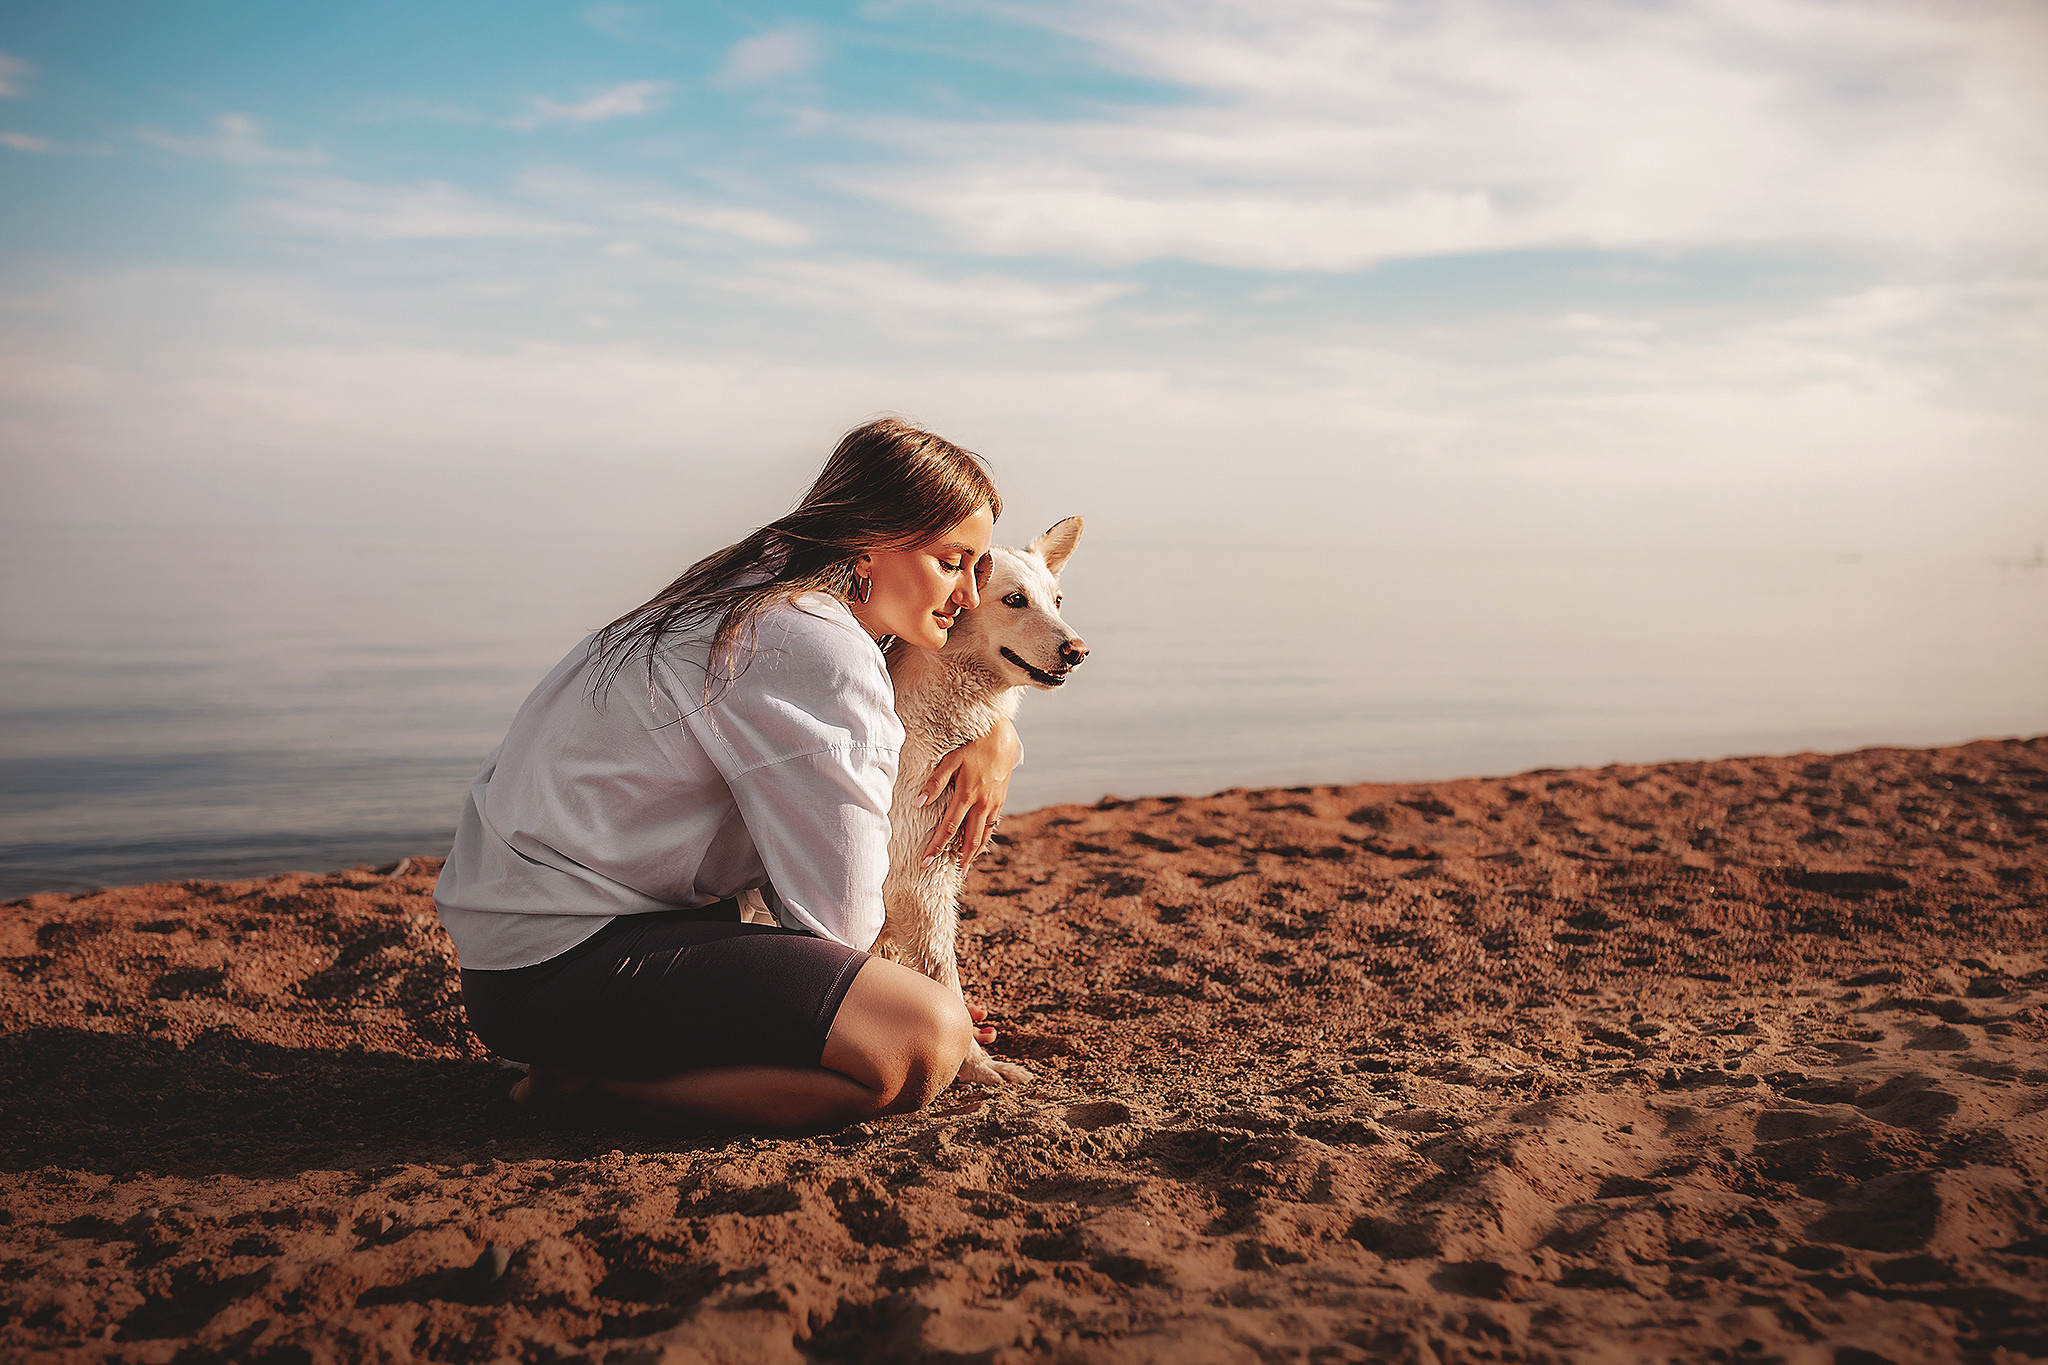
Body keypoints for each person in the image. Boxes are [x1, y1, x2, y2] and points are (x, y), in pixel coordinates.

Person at [434, 419, 1022, 1129]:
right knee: (924, 1038)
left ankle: (587, 1062)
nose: (967, 595)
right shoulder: (817, 644)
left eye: (979, 569)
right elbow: (836, 923)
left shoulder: (760, 583)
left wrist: (997, 731)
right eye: (953, 561)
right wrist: (886, 994)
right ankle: (585, 1085)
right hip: (560, 963)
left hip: (526, 946)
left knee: (896, 1006)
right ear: (872, 544)